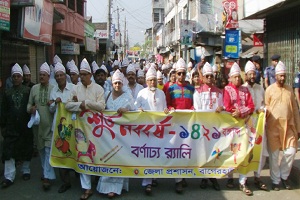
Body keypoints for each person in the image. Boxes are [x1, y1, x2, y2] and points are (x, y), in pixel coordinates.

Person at [65, 58, 105, 200]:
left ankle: (100, 183)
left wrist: (86, 103)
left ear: (90, 75)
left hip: (96, 128)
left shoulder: (98, 89)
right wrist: (79, 105)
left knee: (97, 154)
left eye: (84, 74)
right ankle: (87, 188)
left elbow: (101, 106)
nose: (81, 77)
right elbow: (67, 105)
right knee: (83, 155)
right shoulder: (75, 88)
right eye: (80, 74)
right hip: (80, 127)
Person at [96, 69, 134, 198]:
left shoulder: (127, 96)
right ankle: (106, 186)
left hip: (121, 134)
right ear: (111, 83)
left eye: (119, 83)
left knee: (119, 159)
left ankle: (117, 187)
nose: (117, 85)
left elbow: (133, 109)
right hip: (107, 133)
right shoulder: (106, 94)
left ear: (122, 83)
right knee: (107, 158)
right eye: (115, 83)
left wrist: (126, 109)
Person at [265, 61, 300, 191]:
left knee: (290, 152)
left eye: (284, 75)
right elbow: (266, 107)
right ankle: (275, 181)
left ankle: (284, 177)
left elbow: (295, 109)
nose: (282, 78)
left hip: (289, 126)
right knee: (274, 156)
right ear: (276, 76)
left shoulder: (289, 89)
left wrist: (298, 127)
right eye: (280, 76)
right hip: (273, 127)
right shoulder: (269, 90)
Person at [135, 66, 169, 194]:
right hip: (146, 131)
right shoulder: (141, 93)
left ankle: (154, 177)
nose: (153, 83)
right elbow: (135, 108)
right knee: (147, 156)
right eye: (150, 80)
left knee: (157, 154)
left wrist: (166, 111)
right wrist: (139, 111)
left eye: (154, 80)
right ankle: (147, 183)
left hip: (159, 130)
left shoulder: (161, 93)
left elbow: (164, 109)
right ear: (146, 81)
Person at [223, 62, 255, 196]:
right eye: (235, 77)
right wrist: (234, 112)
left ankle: (243, 181)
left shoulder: (245, 90)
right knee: (232, 152)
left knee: (244, 153)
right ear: (230, 78)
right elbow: (226, 106)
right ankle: (230, 178)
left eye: (238, 77)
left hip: (244, 126)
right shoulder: (227, 89)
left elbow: (251, 106)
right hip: (232, 128)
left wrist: (241, 112)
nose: (237, 79)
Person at [0, 64, 33, 188]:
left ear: (22, 77)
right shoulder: (7, 92)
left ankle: (26, 171)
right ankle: (9, 176)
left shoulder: (28, 91)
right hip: (11, 127)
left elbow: (31, 106)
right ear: (11, 78)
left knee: (26, 147)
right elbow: (4, 110)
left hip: (25, 125)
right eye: (14, 76)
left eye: (18, 76)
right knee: (9, 150)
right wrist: (3, 126)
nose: (16, 78)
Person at [166, 58, 194, 193]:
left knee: (187, 150)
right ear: (175, 75)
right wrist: (171, 108)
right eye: (179, 73)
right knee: (177, 151)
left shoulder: (190, 88)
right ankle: (178, 181)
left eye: (183, 73)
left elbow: (195, 103)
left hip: (188, 123)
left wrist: (193, 108)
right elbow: (168, 104)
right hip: (175, 124)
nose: (181, 76)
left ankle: (184, 177)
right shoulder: (170, 88)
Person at [193, 62, 222, 191]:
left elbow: (223, 108)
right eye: (207, 76)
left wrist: (222, 108)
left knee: (215, 152)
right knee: (204, 153)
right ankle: (205, 177)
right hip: (203, 127)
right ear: (203, 78)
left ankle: (213, 177)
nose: (209, 78)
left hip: (215, 128)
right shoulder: (198, 92)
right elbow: (197, 109)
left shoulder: (219, 92)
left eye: (211, 76)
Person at [27, 62, 55, 190]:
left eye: (44, 75)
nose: (42, 77)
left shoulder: (53, 88)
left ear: (49, 76)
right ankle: (45, 173)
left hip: (49, 126)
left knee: (49, 151)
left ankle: (47, 178)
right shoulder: (34, 89)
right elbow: (28, 106)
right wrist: (31, 109)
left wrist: (53, 103)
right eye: (40, 75)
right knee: (42, 151)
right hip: (38, 127)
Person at [48, 62, 75, 193]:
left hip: (73, 126)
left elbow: (78, 106)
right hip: (59, 127)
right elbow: (51, 109)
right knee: (60, 151)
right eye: (57, 75)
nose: (59, 77)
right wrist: (55, 103)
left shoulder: (74, 88)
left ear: (65, 76)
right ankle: (65, 182)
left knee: (75, 151)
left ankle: (79, 177)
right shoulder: (54, 90)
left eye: (61, 75)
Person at [242, 61, 268, 191]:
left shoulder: (260, 88)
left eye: (254, 73)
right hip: (247, 124)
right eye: (250, 74)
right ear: (246, 75)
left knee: (261, 151)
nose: (252, 76)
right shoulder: (242, 88)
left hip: (259, 124)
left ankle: (257, 177)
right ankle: (243, 180)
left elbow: (263, 104)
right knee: (246, 152)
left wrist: (262, 109)